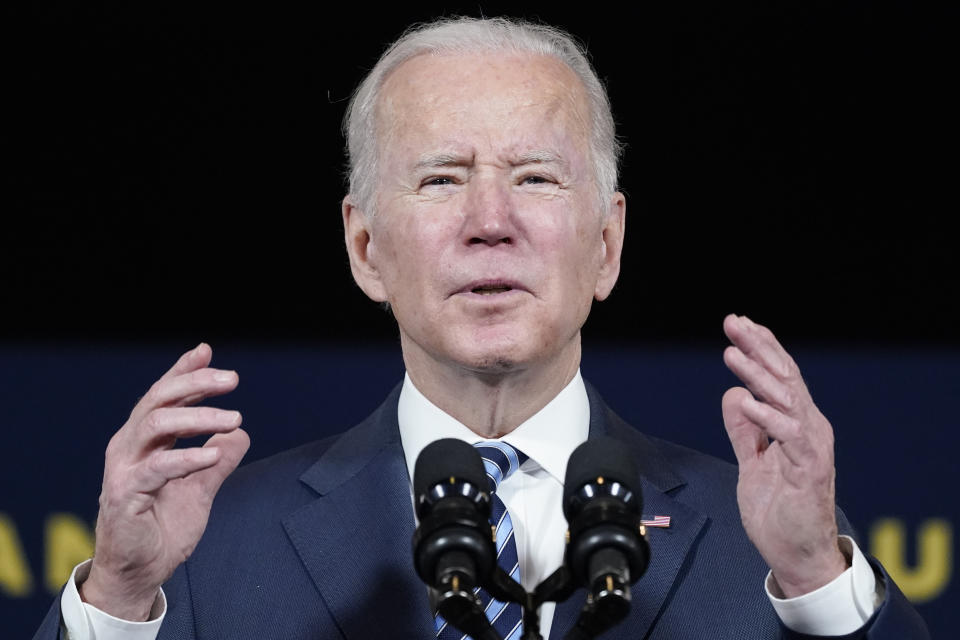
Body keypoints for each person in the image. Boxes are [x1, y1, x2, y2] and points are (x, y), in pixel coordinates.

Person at [36, 17, 927, 640]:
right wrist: (117, 595)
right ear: (365, 247)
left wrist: (816, 581)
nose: (489, 220)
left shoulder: (770, 540)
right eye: (441, 179)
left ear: (607, 244)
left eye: (536, 178)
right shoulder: (212, 546)